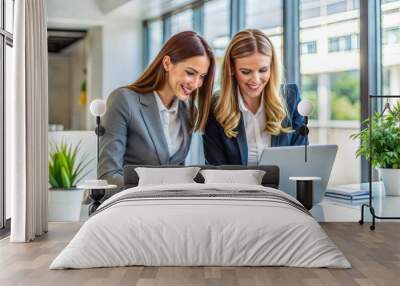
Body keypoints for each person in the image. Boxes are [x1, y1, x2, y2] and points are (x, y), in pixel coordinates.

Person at [98, 31, 215, 188]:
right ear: (167, 63)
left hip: (168, 206)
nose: (195, 84)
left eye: (202, 76)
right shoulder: (124, 100)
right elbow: (108, 176)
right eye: (190, 73)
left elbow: (178, 171)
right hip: (131, 206)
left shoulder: (188, 111)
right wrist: (156, 188)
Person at [203, 29, 307, 165]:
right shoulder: (215, 106)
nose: (255, 80)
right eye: (246, 72)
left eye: (263, 70)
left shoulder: (290, 98)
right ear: (232, 69)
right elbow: (215, 169)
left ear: (272, 67)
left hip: (283, 186)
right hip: (237, 186)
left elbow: (302, 159)